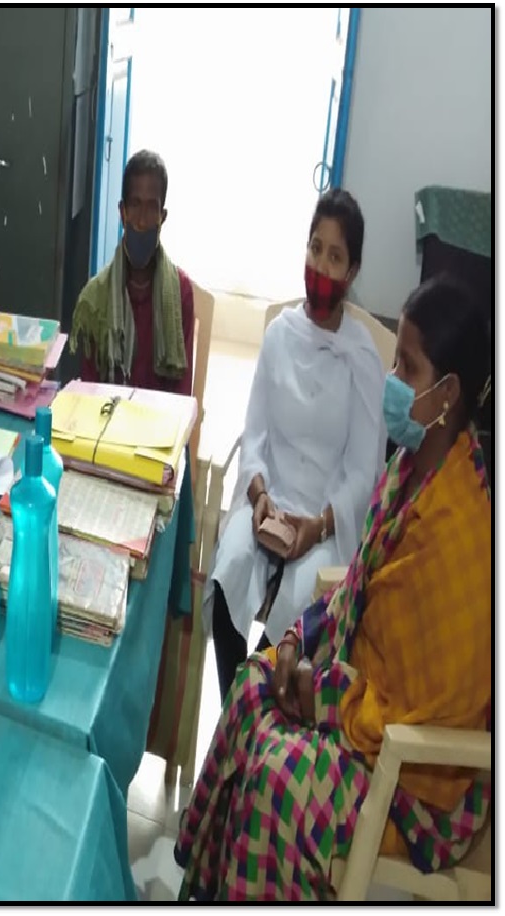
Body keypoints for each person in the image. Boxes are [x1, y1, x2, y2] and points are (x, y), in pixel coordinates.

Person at [174, 275, 493, 901]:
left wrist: (317, 692)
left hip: (414, 782)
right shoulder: (412, 467)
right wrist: (298, 638)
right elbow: (358, 585)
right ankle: (207, 887)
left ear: (449, 392)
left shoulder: (460, 533)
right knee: (251, 686)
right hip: (364, 708)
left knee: (277, 778)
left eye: (407, 366)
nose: (392, 378)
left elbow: (419, 714)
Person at [206, 189, 385, 699]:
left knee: (301, 604)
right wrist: (260, 496)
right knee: (230, 568)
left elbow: (363, 473)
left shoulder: (362, 359)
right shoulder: (280, 335)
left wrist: (319, 524)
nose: (320, 266)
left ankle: (257, 710)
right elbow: (255, 433)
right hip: (270, 501)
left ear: (352, 271)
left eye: (335, 256)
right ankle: (234, 707)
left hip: (325, 522)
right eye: (315, 248)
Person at [70, 149, 195, 395]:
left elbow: (181, 396)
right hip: (106, 415)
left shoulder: (181, 293)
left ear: (162, 217)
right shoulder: (94, 300)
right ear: (122, 212)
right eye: (135, 205)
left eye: (151, 208)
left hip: (162, 418)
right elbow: (88, 392)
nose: (142, 220)